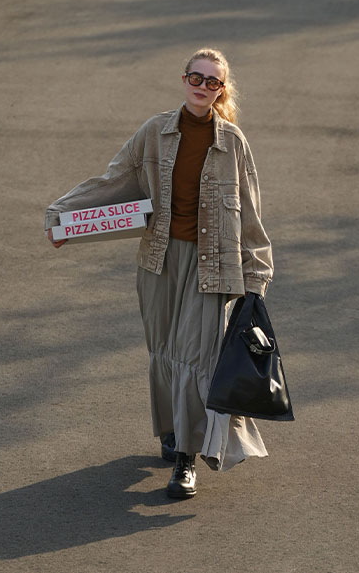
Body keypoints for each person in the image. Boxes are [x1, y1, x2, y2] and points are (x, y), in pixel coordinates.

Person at [44, 47, 273, 499]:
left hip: (213, 267)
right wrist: (63, 218)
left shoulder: (232, 143)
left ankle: (186, 460)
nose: (203, 86)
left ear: (222, 90)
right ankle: (171, 432)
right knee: (165, 352)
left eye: (213, 81)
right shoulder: (154, 133)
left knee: (194, 357)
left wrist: (257, 277)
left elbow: (250, 214)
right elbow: (114, 180)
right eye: (197, 77)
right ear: (183, 78)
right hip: (160, 261)